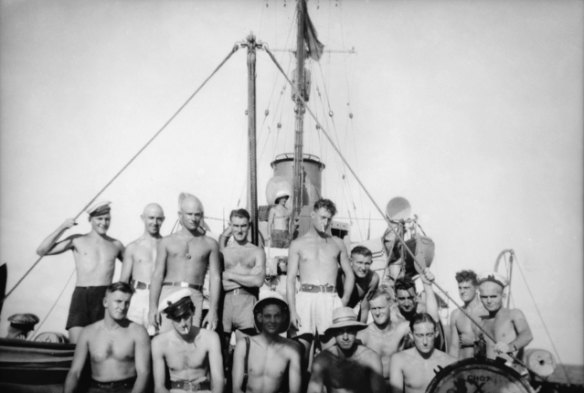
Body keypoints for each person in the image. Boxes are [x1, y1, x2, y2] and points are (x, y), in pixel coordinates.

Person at [36, 201, 124, 343]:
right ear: (90, 220)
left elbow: (132, 265)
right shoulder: (77, 240)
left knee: (101, 345)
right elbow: (42, 250)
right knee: (76, 346)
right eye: (99, 219)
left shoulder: (116, 244)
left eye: (107, 219)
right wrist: (63, 227)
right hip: (82, 295)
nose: (104, 222)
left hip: (105, 296)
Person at [286, 199, 355, 358]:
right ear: (313, 215)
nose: (326, 222)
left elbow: (349, 274)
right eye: (322, 217)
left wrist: (343, 301)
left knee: (332, 355)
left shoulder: (337, 243)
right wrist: (292, 310)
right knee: (299, 355)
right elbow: (290, 279)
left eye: (329, 219)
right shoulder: (298, 244)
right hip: (305, 298)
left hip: (330, 298)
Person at [149, 193, 220, 333]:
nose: (193, 218)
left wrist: (213, 311)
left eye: (197, 214)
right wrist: (152, 308)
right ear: (180, 214)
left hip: (194, 296)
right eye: (189, 214)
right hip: (168, 293)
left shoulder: (210, 244)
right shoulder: (166, 242)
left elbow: (215, 278)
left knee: (191, 344)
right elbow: (157, 275)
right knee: (166, 341)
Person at [63, 282, 151, 393]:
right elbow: (75, 372)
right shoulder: (88, 332)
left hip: (127, 389)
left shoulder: (138, 332)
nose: (123, 307)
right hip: (95, 389)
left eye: (127, 303)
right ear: (105, 302)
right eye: (118, 301)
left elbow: (143, 373)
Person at [151, 289, 224, 393]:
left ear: (193, 311)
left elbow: (219, 383)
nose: (183, 323)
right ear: (170, 318)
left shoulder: (210, 338)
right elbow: (159, 387)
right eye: (177, 318)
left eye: (186, 316)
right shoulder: (159, 343)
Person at [232, 297, 302, 393]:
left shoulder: (291, 349)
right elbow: (236, 389)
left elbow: (295, 391)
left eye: (277, 316)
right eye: (267, 316)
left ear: (283, 317)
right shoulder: (244, 345)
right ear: (260, 318)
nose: (272, 321)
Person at [307, 307, 384, 393]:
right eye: (340, 332)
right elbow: (313, 390)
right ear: (334, 333)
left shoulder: (371, 358)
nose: (345, 337)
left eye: (350, 331)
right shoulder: (323, 360)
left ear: (356, 332)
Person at [218, 208, 266, 346]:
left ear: (249, 226)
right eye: (236, 225)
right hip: (226, 303)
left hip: (247, 303)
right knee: (223, 353)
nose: (239, 230)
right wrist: (247, 277)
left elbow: (258, 281)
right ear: (230, 226)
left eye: (243, 226)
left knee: (245, 351)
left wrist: (230, 275)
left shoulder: (257, 252)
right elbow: (219, 282)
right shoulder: (223, 252)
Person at [120, 203, 165, 335]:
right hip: (137, 297)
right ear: (142, 218)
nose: (155, 222)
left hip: (159, 297)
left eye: (159, 219)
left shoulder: (167, 245)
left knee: (156, 340)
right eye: (151, 218)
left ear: (163, 220)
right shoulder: (133, 247)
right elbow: (123, 281)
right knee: (132, 338)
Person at [389, 313, 456, 393]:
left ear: (436, 333)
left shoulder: (449, 362)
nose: (425, 342)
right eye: (420, 335)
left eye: (429, 335)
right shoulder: (399, 360)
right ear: (411, 335)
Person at [475, 272, 533, 361]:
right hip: (488, 371)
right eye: (484, 297)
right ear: (480, 298)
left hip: (510, 372)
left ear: (503, 296)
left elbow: (527, 335)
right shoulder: (481, 322)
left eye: (493, 296)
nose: (489, 301)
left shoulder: (514, 314)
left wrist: (509, 347)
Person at [357, 289, 410, 386]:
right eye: (374, 309)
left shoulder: (401, 329)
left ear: (390, 306)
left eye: (381, 308)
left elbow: (429, 326)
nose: (377, 313)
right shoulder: (364, 334)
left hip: (397, 386)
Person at [392, 271, 446, 351]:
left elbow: (439, 337)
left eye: (410, 298)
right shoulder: (391, 316)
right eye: (402, 299)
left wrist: (427, 285)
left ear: (416, 295)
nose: (407, 303)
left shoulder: (423, 310)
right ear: (396, 298)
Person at [448, 270, 487, 359]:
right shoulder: (456, 314)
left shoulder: (486, 312)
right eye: (460, 288)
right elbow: (454, 347)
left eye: (466, 288)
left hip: (484, 366)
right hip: (463, 367)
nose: (462, 291)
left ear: (476, 288)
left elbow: (494, 343)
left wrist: (474, 341)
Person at [337, 245, 379, 322]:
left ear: (371, 263)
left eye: (367, 264)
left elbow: (365, 308)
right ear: (350, 261)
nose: (363, 268)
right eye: (359, 263)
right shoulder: (339, 274)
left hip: (350, 312)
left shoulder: (372, 279)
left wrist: (362, 329)